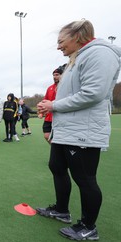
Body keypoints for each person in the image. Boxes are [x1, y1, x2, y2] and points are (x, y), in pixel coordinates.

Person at [36, 20, 121, 241]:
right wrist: (49, 106)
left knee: (84, 178)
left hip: (84, 130)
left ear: (77, 36)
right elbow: (70, 94)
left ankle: (88, 227)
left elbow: (93, 94)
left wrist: (53, 106)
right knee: (56, 166)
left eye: (61, 41)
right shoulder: (77, 58)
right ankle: (62, 210)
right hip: (66, 129)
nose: (58, 47)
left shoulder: (100, 54)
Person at [38, 65, 65, 144]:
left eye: (57, 75)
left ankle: (58, 152)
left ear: (62, 75)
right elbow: (45, 101)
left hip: (59, 116)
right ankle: (56, 151)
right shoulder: (50, 88)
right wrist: (41, 112)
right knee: (46, 136)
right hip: (48, 117)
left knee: (59, 137)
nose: (55, 77)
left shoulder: (64, 87)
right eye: (54, 75)